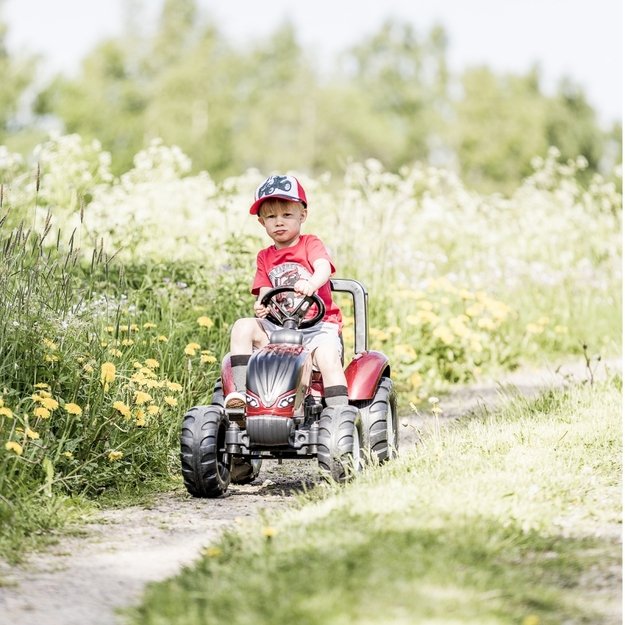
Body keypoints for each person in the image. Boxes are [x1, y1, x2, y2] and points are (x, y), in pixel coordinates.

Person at [224, 174, 348, 411]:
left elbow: (323, 267)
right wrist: (262, 305)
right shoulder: (264, 256)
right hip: (279, 328)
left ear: (302, 216)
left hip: (317, 328)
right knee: (243, 326)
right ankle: (241, 397)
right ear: (262, 222)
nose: (279, 222)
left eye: (287, 215)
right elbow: (265, 291)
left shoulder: (310, 243)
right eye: (271, 216)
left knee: (328, 358)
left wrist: (312, 283)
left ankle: (339, 414)